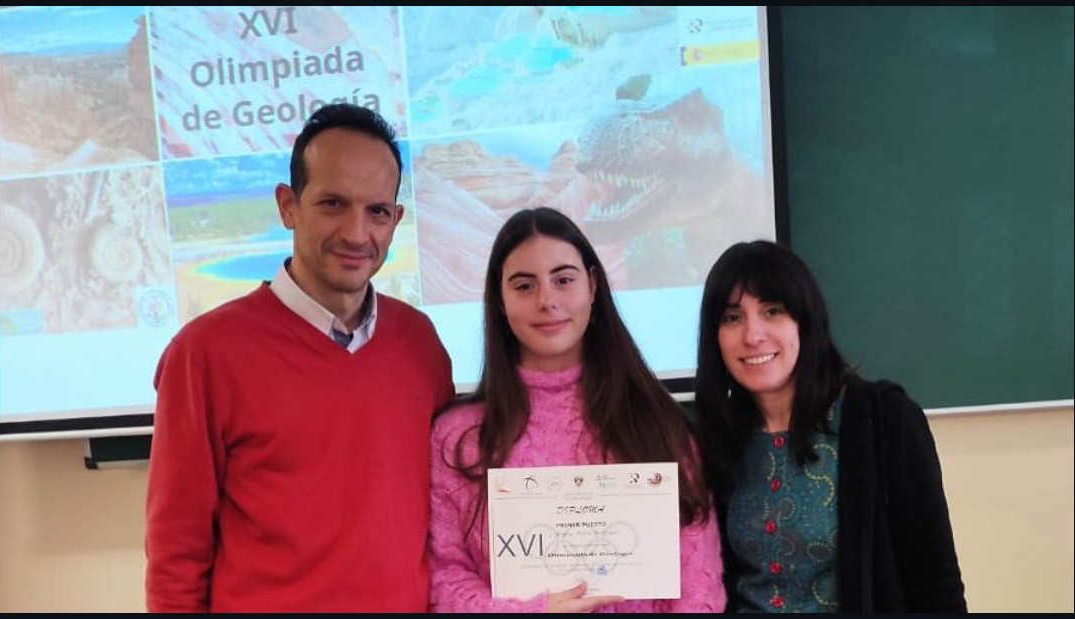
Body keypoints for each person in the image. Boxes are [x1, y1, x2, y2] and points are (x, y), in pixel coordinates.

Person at [146, 104, 454, 612]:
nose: (357, 234)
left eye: (377, 210)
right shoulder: (204, 355)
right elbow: (176, 557)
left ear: (396, 220)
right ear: (288, 205)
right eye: (333, 203)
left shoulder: (420, 343)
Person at [428, 207, 726, 613]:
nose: (547, 301)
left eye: (563, 280)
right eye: (523, 286)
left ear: (592, 285)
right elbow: (446, 576)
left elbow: (696, 580)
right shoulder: (457, 438)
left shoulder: (656, 422)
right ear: (499, 301)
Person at [694, 240, 966, 612]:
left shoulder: (883, 418)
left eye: (772, 311)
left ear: (806, 321)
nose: (752, 335)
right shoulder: (714, 436)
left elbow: (936, 580)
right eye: (732, 317)